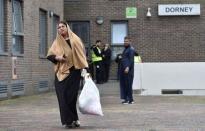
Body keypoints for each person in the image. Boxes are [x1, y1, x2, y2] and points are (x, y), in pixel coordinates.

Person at [47, 21, 88, 128]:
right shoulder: (57, 42)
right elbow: (50, 55)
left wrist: (85, 70)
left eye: (62, 27)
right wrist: (57, 58)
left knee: (71, 98)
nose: (60, 29)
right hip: (60, 73)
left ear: (67, 27)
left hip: (74, 73)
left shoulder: (75, 40)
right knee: (62, 97)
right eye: (59, 27)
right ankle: (68, 121)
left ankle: (74, 118)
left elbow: (81, 55)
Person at [119, 36, 136, 104]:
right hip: (124, 70)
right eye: (124, 41)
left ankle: (130, 100)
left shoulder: (131, 49)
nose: (125, 42)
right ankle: (126, 99)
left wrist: (128, 67)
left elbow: (131, 60)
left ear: (130, 42)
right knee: (125, 85)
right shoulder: (125, 49)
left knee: (128, 85)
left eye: (127, 41)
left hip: (128, 71)